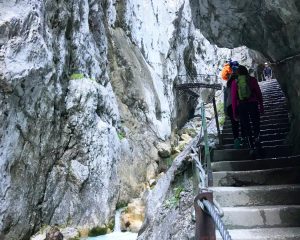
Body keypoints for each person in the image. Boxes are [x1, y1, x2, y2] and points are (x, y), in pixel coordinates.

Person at [231, 65, 264, 151]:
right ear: (246, 71)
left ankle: (251, 146)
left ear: (238, 73)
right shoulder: (252, 80)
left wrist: (234, 112)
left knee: (246, 126)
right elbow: (259, 94)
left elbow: (234, 99)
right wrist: (261, 106)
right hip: (253, 104)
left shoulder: (235, 82)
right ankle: (257, 139)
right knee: (256, 123)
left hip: (242, 106)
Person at [222, 60, 241, 149]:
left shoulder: (229, 82)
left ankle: (236, 140)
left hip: (230, 105)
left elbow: (226, 95)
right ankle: (246, 139)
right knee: (244, 122)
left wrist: (225, 109)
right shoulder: (240, 78)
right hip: (240, 103)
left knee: (234, 124)